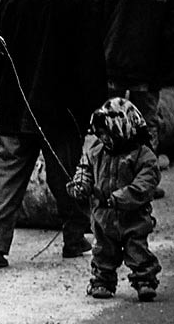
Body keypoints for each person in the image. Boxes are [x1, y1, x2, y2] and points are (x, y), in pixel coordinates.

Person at [0, 0, 105, 269]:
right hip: (60, 111)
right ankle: (76, 239)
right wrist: (93, 109)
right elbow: (90, 64)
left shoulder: (10, 1)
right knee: (68, 174)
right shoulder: (79, 3)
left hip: (14, 107)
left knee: (5, 175)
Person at [68, 97, 161, 301]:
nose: (103, 139)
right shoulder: (96, 152)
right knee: (103, 252)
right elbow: (85, 169)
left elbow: (143, 187)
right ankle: (103, 281)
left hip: (133, 216)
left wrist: (117, 198)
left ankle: (144, 280)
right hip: (103, 217)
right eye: (100, 134)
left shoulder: (144, 156)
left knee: (137, 249)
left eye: (107, 134)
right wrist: (81, 185)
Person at [86, 0, 172, 141]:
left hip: (110, 66)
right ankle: (145, 169)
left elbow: (90, 24)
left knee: (106, 120)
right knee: (147, 123)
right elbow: (170, 33)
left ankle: (106, 169)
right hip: (148, 69)